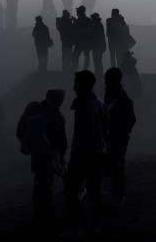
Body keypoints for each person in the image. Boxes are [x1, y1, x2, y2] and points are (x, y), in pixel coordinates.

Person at [64, 71, 108, 236]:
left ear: (83, 84)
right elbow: (105, 131)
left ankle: (77, 227)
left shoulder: (82, 105)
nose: (74, 86)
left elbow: (83, 134)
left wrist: (75, 155)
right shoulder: (100, 104)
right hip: (98, 153)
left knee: (70, 190)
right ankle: (94, 225)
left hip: (83, 155)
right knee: (95, 190)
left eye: (76, 82)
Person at [17, 90, 67, 230]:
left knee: (44, 182)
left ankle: (43, 214)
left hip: (49, 152)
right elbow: (23, 130)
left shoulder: (50, 111)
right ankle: (43, 215)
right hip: (43, 152)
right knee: (43, 183)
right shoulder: (39, 111)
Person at [104, 68, 136, 207]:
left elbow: (131, 118)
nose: (106, 81)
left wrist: (121, 132)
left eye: (108, 79)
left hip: (117, 136)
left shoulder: (120, 97)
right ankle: (117, 193)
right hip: (115, 135)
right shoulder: (114, 95)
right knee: (115, 164)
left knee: (117, 164)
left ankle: (119, 195)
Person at [71, 6, 92, 72]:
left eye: (78, 12)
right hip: (84, 42)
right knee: (86, 57)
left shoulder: (79, 21)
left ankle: (75, 70)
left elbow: (75, 30)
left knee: (76, 57)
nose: (77, 13)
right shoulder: (87, 20)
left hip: (80, 42)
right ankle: (84, 70)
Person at [90, 13, 107, 79]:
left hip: (98, 47)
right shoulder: (99, 25)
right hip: (100, 46)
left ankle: (98, 74)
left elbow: (95, 36)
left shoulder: (97, 26)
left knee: (97, 61)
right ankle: (99, 74)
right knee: (98, 61)